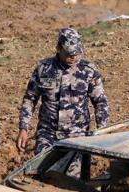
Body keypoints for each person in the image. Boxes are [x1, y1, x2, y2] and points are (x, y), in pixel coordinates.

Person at [16, 28, 109, 159]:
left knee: (72, 178)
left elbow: (100, 101)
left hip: (78, 136)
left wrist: (102, 129)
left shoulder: (88, 70)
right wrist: (23, 127)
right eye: (69, 54)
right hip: (48, 134)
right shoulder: (43, 68)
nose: (74, 57)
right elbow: (30, 99)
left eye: (77, 53)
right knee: (42, 174)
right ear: (58, 48)